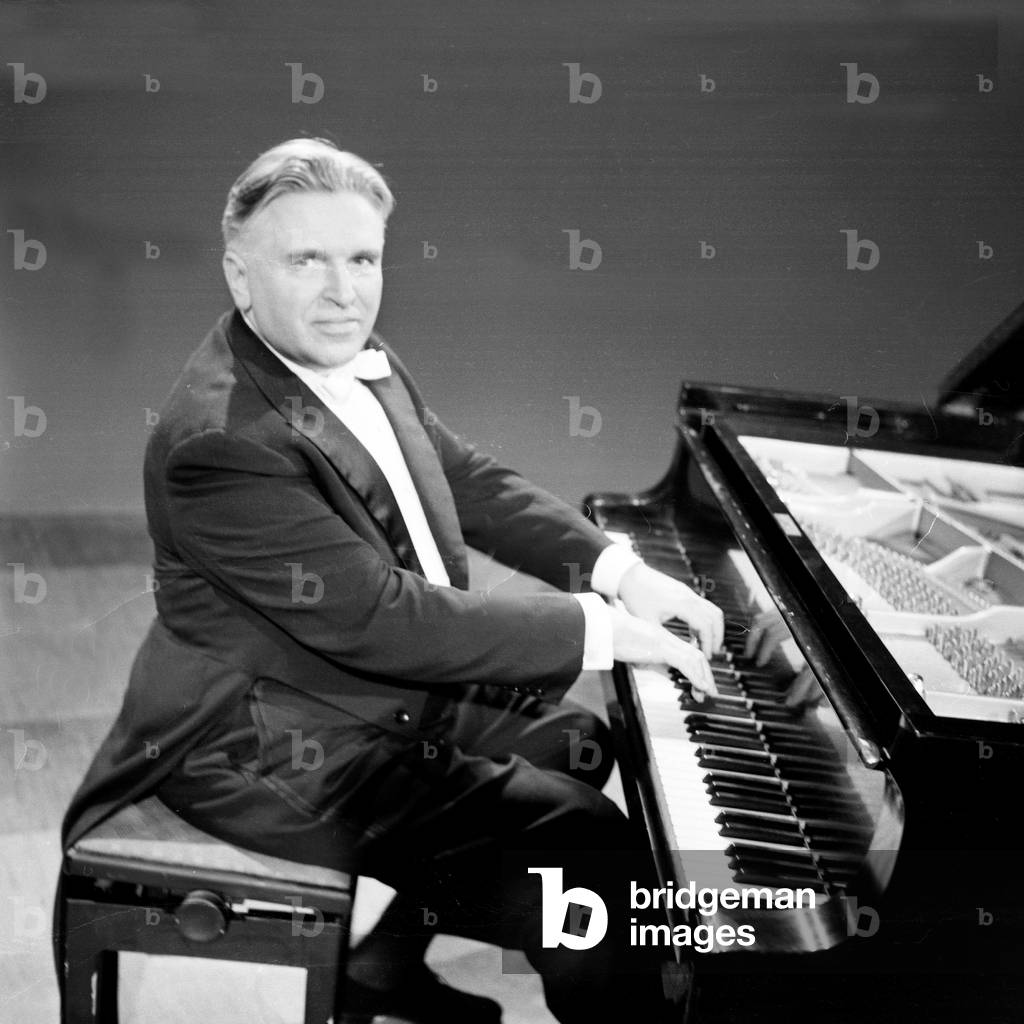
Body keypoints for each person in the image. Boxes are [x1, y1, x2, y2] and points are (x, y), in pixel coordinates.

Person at [58, 138, 724, 1023]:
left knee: (581, 745)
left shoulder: (359, 358)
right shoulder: (220, 446)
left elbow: (469, 479)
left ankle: (384, 965)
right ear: (240, 275)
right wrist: (596, 628)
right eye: (307, 261)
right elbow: (386, 620)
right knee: (586, 850)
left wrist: (622, 573)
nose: (345, 290)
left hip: (359, 692)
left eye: (363, 258)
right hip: (267, 745)